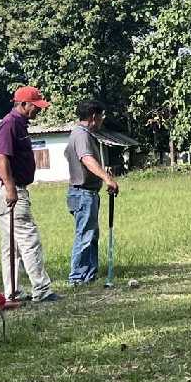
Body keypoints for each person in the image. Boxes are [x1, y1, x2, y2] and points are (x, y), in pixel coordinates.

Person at [0, 85, 59, 303]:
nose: (39, 110)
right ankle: (42, 290)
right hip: (9, 188)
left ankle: (13, 292)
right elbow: (2, 157)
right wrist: (10, 188)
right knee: (29, 239)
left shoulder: (19, 124)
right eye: (36, 106)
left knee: (12, 246)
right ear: (23, 104)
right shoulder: (10, 124)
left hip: (5, 187)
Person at [64, 99, 118, 286]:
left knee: (91, 234)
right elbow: (87, 159)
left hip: (87, 193)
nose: (102, 120)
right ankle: (77, 278)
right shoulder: (81, 135)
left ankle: (88, 275)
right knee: (85, 235)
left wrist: (103, 175)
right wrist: (107, 178)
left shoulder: (84, 134)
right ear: (94, 116)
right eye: (102, 116)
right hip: (82, 193)